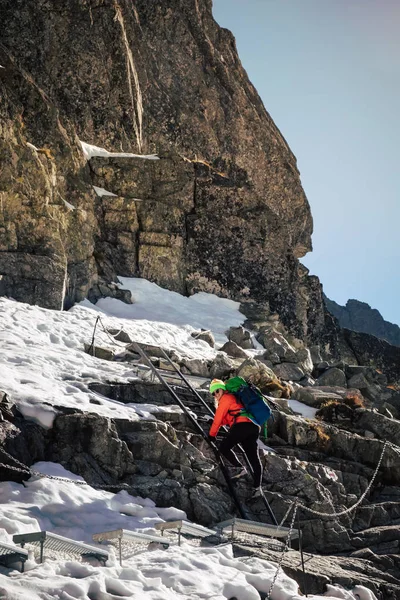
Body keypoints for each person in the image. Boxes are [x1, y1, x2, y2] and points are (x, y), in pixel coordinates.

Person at [208, 379, 263, 498]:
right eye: (213, 393)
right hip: (253, 426)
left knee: (224, 447)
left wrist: (212, 435)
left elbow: (218, 418)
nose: (216, 395)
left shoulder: (226, 398)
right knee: (253, 457)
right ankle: (257, 488)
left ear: (222, 389)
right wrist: (214, 422)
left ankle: (239, 468)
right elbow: (227, 418)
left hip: (242, 426)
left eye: (217, 391)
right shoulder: (234, 399)